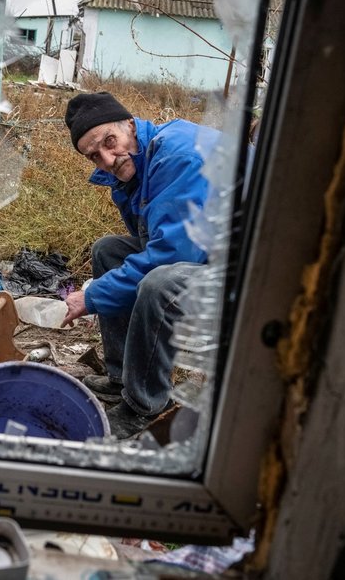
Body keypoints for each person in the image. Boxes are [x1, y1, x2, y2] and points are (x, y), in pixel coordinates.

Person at [61, 91, 215, 440]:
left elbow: (173, 256)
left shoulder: (178, 156)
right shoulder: (137, 167)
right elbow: (156, 241)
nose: (107, 159)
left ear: (130, 124)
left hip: (249, 270)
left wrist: (92, 296)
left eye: (109, 142)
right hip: (208, 254)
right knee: (108, 250)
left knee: (160, 283)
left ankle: (145, 406)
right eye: (94, 156)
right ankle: (121, 377)